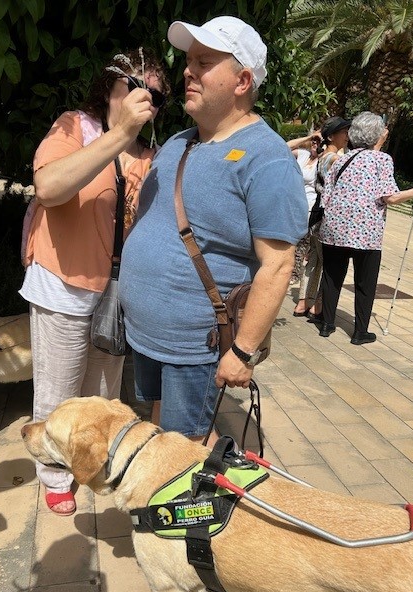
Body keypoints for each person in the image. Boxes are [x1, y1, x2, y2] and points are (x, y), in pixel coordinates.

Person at [119, 17, 308, 442]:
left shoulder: (267, 159)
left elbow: (277, 266)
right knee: (158, 429)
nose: (188, 71)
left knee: (184, 449)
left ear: (242, 80)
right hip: (150, 337)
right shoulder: (180, 141)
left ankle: (174, 505)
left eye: (204, 62)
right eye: (189, 61)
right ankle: (157, 503)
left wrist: (242, 351)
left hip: (195, 347)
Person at [19, 49, 170, 515]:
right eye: (136, 86)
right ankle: (54, 472)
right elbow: (49, 188)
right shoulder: (75, 128)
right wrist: (120, 133)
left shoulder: (152, 156)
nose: (146, 100)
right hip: (62, 283)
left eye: (157, 97)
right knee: (59, 388)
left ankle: (91, 460)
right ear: (110, 86)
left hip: (116, 295)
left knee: (102, 393)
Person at [317, 111, 413, 343]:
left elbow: (328, 193)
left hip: (334, 226)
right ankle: (360, 331)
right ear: (376, 135)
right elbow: (390, 197)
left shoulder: (341, 158)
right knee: (365, 281)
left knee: (332, 275)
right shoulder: (381, 160)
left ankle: (327, 324)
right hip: (366, 231)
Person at [304, 115, 352, 322]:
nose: (347, 136)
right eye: (344, 132)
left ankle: (303, 302)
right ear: (332, 136)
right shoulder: (336, 159)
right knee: (329, 264)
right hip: (328, 215)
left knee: (314, 261)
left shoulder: (322, 157)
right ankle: (318, 307)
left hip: (316, 213)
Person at [287, 131, 322, 316]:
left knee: (302, 248)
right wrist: (308, 139)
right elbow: (285, 146)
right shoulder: (303, 155)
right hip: (292, 206)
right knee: (289, 244)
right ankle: (288, 274)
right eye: (315, 142)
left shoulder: (324, 161)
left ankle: (294, 277)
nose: (316, 145)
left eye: (319, 142)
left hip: (310, 210)